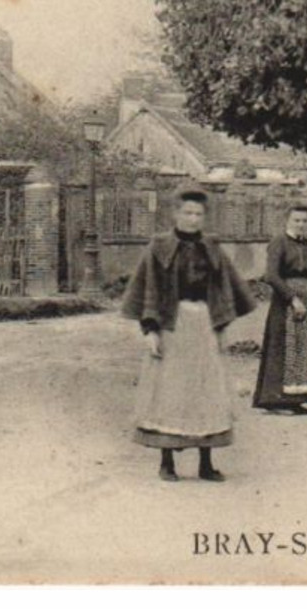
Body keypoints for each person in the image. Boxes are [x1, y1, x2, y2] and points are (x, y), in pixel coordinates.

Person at [121, 189, 256, 482]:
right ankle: (166, 461)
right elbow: (149, 289)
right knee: (169, 391)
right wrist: (150, 330)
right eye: (188, 213)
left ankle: (206, 463)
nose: (193, 219)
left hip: (203, 324)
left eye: (199, 214)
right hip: (173, 325)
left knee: (206, 390)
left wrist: (221, 326)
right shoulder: (159, 247)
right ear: (175, 214)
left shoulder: (212, 247)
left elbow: (223, 288)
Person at [253, 204, 307, 414]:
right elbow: (271, 275)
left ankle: (297, 400)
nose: (301, 224)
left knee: (304, 350)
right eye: (297, 220)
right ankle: (275, 401)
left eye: (305, 221)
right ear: (288, 220)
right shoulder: (279, 243)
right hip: (286, 304)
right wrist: (292, 298)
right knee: (284, 348)